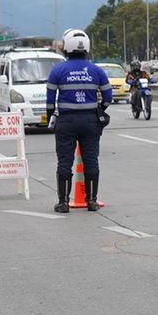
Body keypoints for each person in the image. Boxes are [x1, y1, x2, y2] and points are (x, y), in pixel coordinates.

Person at [46, 29, 112, 213]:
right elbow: (108, 96)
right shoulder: (96, 70)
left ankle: (63, 202)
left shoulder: (57, 70)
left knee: (64, 162)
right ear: (87, 47)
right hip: (90, 121)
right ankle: (91, 201)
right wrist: (99, 109)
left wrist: (52, 116)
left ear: (66, 47)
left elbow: (50, 101)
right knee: (91, 161)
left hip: (66, 121)